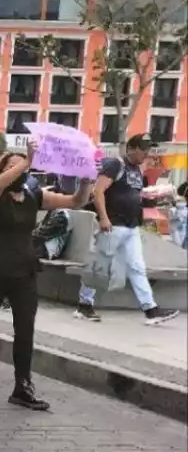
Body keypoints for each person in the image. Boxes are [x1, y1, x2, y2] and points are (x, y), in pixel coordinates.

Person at [0, 145, 95, 410]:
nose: (22, 169)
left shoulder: (33, 195)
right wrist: (26, 160)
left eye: (26, 164)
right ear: (2, 171)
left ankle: (22, 386)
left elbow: (76, 202)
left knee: (25, 329)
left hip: (24, 270)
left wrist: (85, 182)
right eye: (14, 165)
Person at [75, 134, 180, 325]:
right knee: (99, 266)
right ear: (131, 148)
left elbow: (133, 195)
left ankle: (150, 309)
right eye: (143, 148)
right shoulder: (115, 165)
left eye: (148, 148)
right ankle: (84, 305)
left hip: (131, 226)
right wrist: (104, 218)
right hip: (113, 225)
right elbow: (98, 191)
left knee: (137, 267)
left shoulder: (136, 170)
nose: (146, 153)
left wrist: (150, 199)